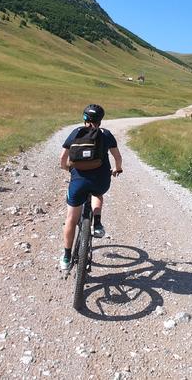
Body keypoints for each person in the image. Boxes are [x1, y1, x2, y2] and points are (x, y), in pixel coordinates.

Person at [58, 104, 123, 270]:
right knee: (97, 194)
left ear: (84, 118)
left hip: (78, 181)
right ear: (100, 120)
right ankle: (98, 224)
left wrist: (68, 169)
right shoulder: (105, 134)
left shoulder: (76, 132)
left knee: (71, 219)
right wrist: (117, 169)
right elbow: (117, 157)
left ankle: (66, 258)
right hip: (100, 180)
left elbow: (63, 158)